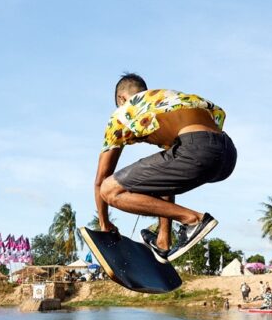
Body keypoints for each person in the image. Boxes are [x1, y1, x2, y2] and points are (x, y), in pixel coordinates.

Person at [94, 74, 237, 262]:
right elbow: (165, 181)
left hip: (198, 149)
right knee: (161, 173)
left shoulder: (123, 112)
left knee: (109, 190)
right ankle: (163, 242)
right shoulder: (165, 99)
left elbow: (101, 179)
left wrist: (104, 224)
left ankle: (193, 220)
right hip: (227, 155)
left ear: (121, 99)